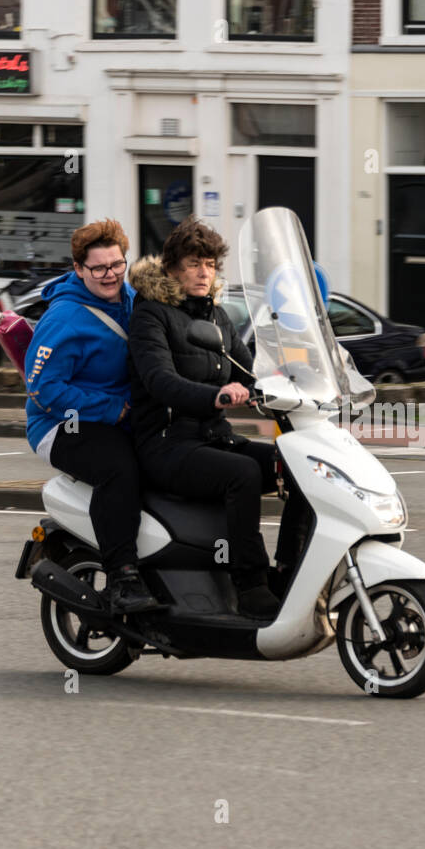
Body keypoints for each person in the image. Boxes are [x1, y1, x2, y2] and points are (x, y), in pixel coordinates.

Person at [127, 217, 301, 621]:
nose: (203, 272)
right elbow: (159, 381)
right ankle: (250, 586)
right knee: (240, 474)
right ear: (172, 268)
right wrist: (217, 396)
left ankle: (288, 571)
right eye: (193, 263)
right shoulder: (151, 315)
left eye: (209, 264)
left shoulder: (217, 319)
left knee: (296, 466)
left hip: (211, 438)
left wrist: (295, 385)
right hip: (166, 445)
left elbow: (249, 370)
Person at [23, 217, 160, 614]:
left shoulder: (132, 299)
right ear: (79, 269)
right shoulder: (64, 318)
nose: (110, 275)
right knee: (117, 467)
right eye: (98, 268)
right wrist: (111, 408)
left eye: (117, 264)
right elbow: (43, 389)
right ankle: (123, 577)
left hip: (121, 417)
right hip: (59, 425)